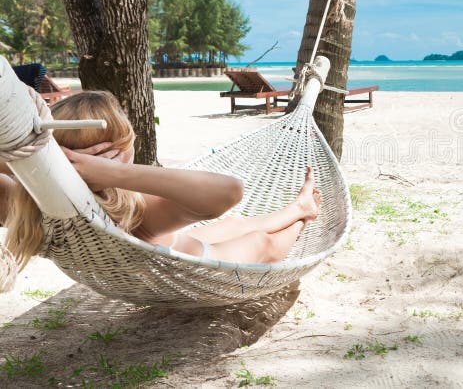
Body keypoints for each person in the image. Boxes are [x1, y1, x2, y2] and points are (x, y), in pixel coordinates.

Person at [1, 91, 320, 271]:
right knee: (261, 243)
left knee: (238, 224)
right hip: (198, 266)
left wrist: (34, 164)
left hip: (188, 244)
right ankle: (301, 220)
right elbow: (231, 190)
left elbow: (229, 197)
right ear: (121, 151)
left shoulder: (26, 201)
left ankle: (298, 207)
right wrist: (116, 174)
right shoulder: (132, 209)